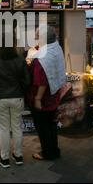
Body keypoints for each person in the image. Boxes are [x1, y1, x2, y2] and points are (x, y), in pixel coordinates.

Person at [0, 41, 30, 168]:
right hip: (17, 98)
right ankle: (18, 156)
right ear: (14, 45)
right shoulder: (20, 60)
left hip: (0, 99)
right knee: (17, 127)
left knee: (4, 129)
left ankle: (4, 158)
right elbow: (27, 81)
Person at [27, 26, 66, 161]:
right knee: (51, 124)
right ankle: (54, 150)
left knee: (43, 127)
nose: (36, 39)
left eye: (37, 37)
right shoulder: (57, 48)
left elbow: (41, 80)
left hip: (43, 98)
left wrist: (37, 98)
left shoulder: (41, 59)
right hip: (54, 94)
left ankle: (47, 153)